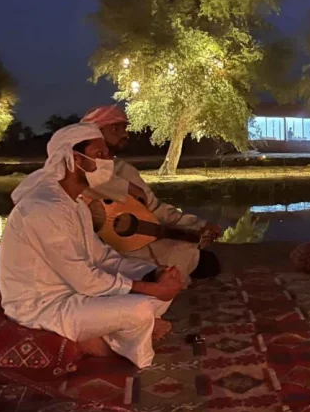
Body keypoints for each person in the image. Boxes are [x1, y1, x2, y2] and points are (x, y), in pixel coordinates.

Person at [0, 123, 184, 368]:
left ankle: (113, 333)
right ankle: (107, 346)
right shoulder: (44, 208)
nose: (108, 161)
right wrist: (147, 289)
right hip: (44, 305)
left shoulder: (75, 204)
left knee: (162, 292)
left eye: (107, 154)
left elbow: (103, 258)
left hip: (75, 292)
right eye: (100, 155)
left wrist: (152, 274)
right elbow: (85, 279)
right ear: (75, 159)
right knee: (141, 307)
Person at [81, 105, 221, 282]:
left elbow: (155, 209)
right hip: (99, 255)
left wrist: (199, 225)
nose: (124, 134)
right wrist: (125, 188)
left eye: (124, 128)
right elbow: (88, 178)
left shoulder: (124, 170)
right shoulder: (74, 171)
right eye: (115, 129)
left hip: (143, 247)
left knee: (206, 261)